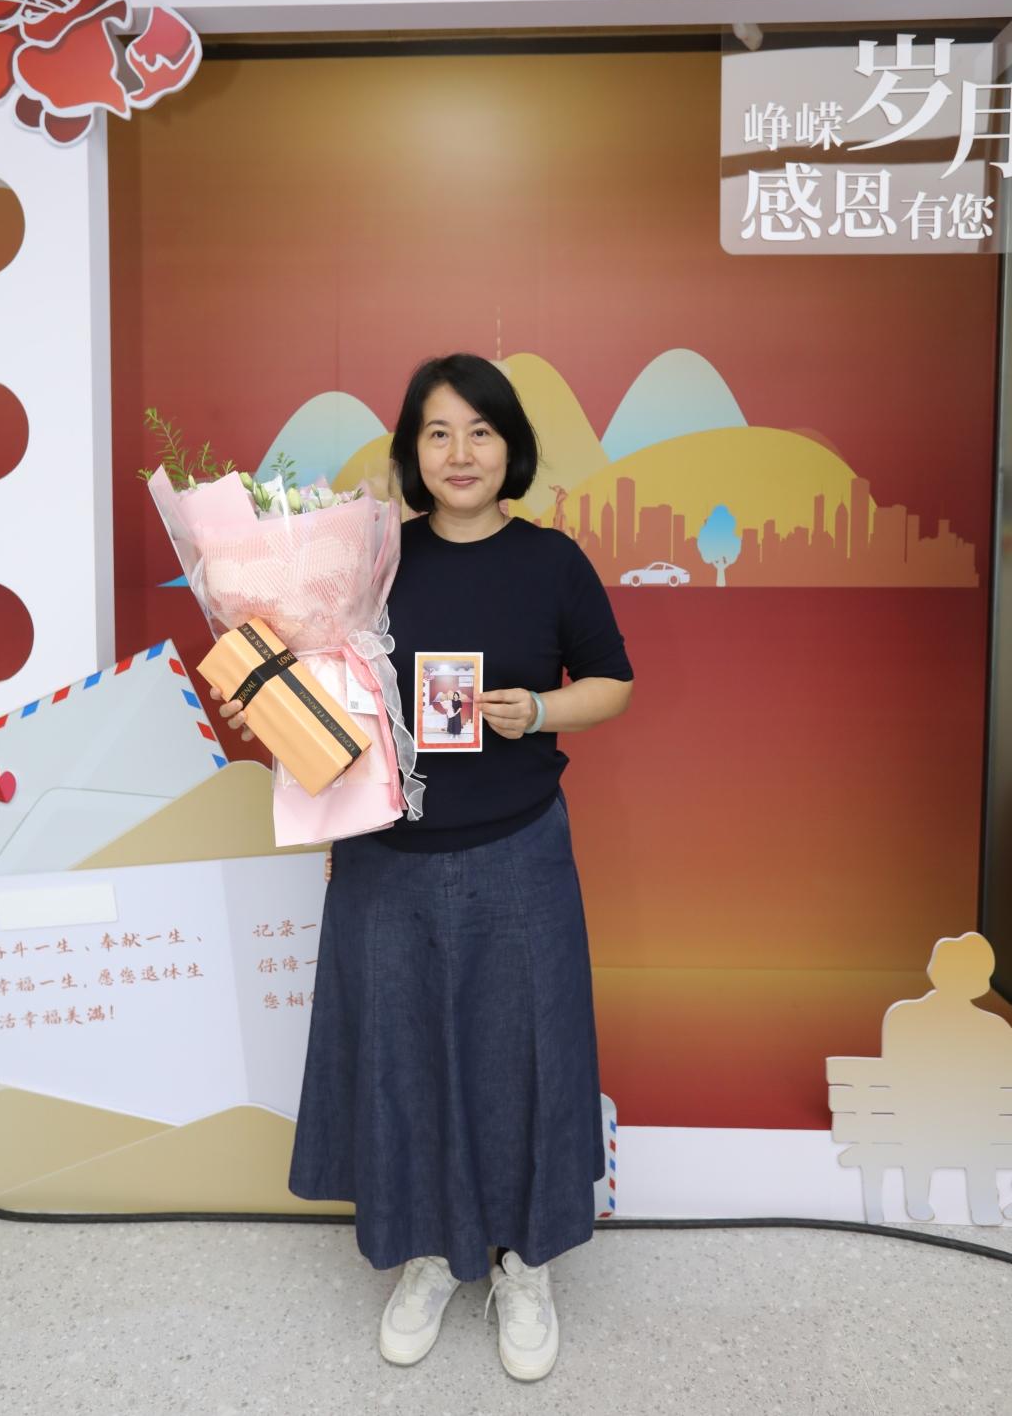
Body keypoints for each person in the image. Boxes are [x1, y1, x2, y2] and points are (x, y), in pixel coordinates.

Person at [212, 352, 633, 1382]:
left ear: (510, 448)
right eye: (438, 433)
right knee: (399, 1056)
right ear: (411, 451)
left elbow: (614, 682)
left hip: (521, 844)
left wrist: (540, 708)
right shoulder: (368, 562)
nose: (460, 453)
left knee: (526, 1056)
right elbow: (320, 686)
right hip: (386, 851)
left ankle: (526, 1263)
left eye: (481, 431)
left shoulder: (553, 562)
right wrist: (262, 701)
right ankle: (428, 1258)